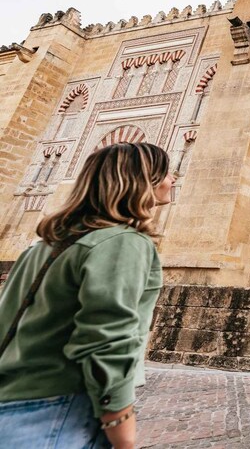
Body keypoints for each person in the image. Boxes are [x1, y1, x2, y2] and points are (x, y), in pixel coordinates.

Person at [0, 142, 174, 449]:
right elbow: (107, 339)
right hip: (57, 411)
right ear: (142, 180)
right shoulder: (123, 242)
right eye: (165, 172)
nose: (171, 179)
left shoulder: (42, 245)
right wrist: (121, 427)